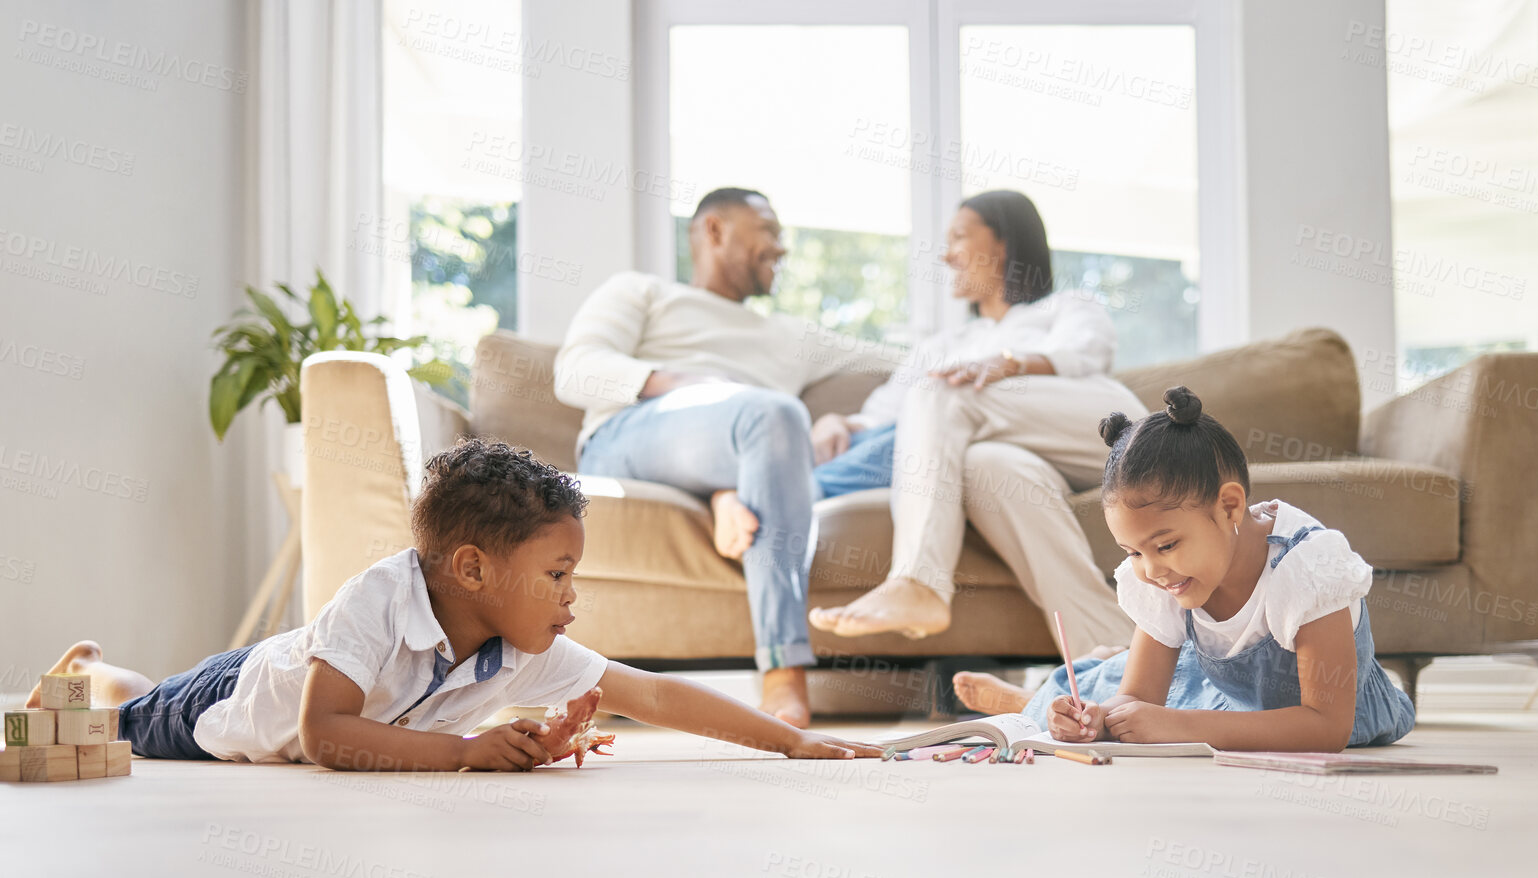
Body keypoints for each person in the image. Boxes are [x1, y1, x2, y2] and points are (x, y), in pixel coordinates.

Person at [28, 440, 881, 768]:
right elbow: (325, 735)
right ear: (471, 568)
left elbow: (651, 692)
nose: (571, 599)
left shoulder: (523, 640)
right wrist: (468, 750)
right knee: (132, 716)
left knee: (134, 703)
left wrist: (793, 742)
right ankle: (94, 675)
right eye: (557, 575)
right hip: (239, 701)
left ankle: (99, 673)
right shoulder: (378, 596)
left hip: (282, 679)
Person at [553, 187, 888, 729]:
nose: (781, 248)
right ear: (715, 230)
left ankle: (739, 493)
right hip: (631, 437)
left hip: (756, 444)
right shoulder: (642, 292)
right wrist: (685, 383)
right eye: (770, 231)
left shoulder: (790, 335)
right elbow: (575, 371)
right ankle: (783, 666)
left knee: (863, 430)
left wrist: (847, 422)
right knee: (773, 415)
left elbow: (901, 362)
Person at [807, 190, 1142, 652]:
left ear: (1003, 243)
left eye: (959, 237)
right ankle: (1112, 660)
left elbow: (1088, 348)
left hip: (1105, 435)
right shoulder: (944, 344)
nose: (946, 255)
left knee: (943, 390)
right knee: (985, 466)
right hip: (1016, 455)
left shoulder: (1065, 307)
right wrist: (835, 420)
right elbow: (884, 416)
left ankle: (918, 583)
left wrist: (1011, 363)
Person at [994, 387, 1416, 752]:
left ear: (1230, 505)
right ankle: (1055, 689)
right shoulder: (1173, 575)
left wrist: (1176, 726)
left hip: (1339, 715)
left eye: (1166, 545)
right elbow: (1140, 697)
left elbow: (1326, 728)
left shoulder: (1306, 567)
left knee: (1178, 698)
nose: (1151, 571)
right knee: (1115, 692)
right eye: (1134, 553)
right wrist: (1095, 721)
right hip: (1237, 705)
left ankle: (1026, 696)